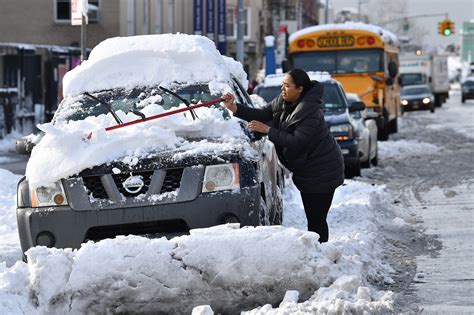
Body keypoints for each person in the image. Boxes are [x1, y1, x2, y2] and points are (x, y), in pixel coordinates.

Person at [222, 69, 344, 243]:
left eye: (287, 86)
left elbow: (296, 141)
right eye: (282, 85)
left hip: (323, 169)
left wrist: (268, 130)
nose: (283, 89)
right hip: (308, 170)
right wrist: (233, 107)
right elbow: (262, 114)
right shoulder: (284, 101)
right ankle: (319, 252)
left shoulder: (310, 112)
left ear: (300, 89)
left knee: (316, 218)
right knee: (313, 217)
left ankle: (322, 254)